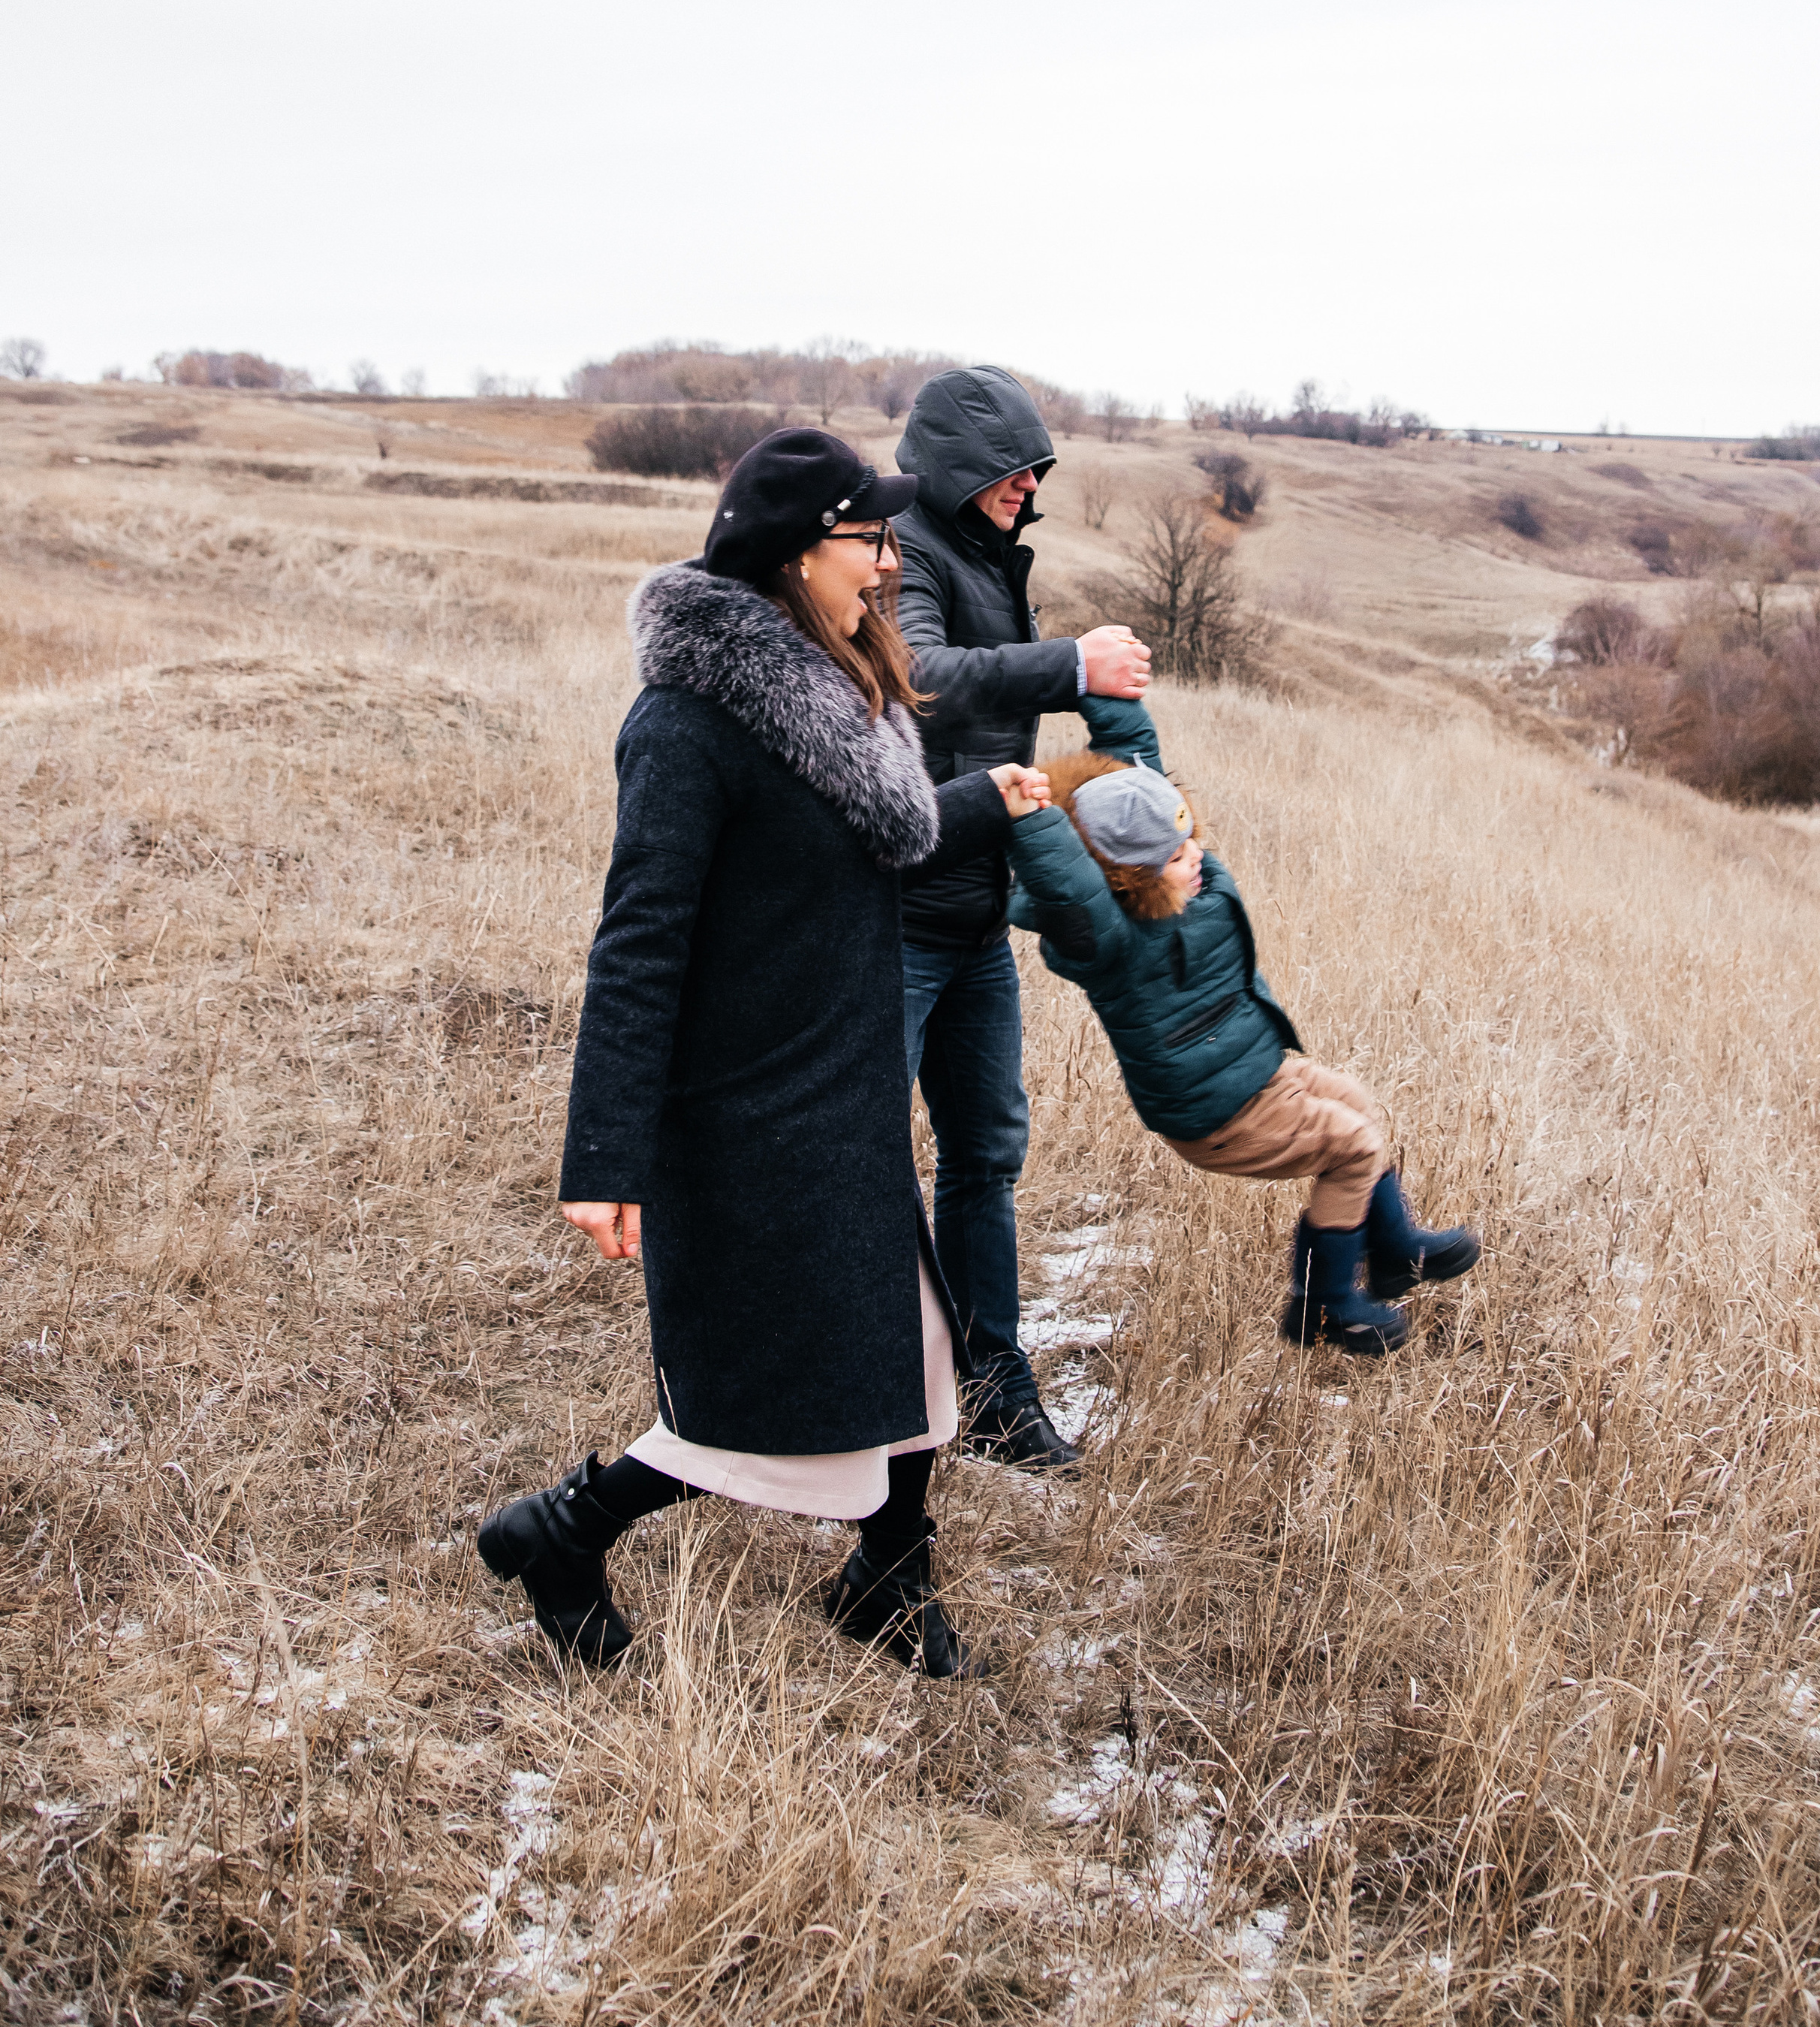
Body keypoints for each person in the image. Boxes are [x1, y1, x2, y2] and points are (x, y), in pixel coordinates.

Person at [478, 429, 1052, 1675]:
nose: (893, 566)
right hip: (748, 1112)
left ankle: (891, 1582)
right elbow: (640, 946)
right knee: (766, 1403)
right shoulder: (686, 725)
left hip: (838, 1087)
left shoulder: (831, 692)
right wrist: (603, 1155)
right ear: (798, 552)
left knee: (917, 1352)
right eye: (872, 541)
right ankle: (562, 1532)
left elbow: (856, 841)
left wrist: (978, 799)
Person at [1005, 691, 1481, 1356]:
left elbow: (1144, 780)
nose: (1195, 855)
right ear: (1126, 876)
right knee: (1354, 1147)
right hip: (1214, 1114)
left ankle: (1396, 1250)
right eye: (1174, 856)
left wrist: (1106, 694)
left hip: (1258, 1070)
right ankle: (1324, 1306)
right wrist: (1032, 818)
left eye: (1190, 838)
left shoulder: (1187, 870)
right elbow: (1065, 882)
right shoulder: (1107, 936)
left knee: (1361, 1108)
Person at [891, 366, 1151, 1468]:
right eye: (1010, 467)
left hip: (976, 918)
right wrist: (1067, 664)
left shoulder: (995, 556)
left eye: (1038, 467)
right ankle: (870, 1395)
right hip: (893, 914)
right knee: (860, 1158)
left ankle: (996, 1394)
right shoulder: (900, 548)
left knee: (987, 1155)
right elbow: (920, 676)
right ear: (954, 467)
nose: (1029, 483)